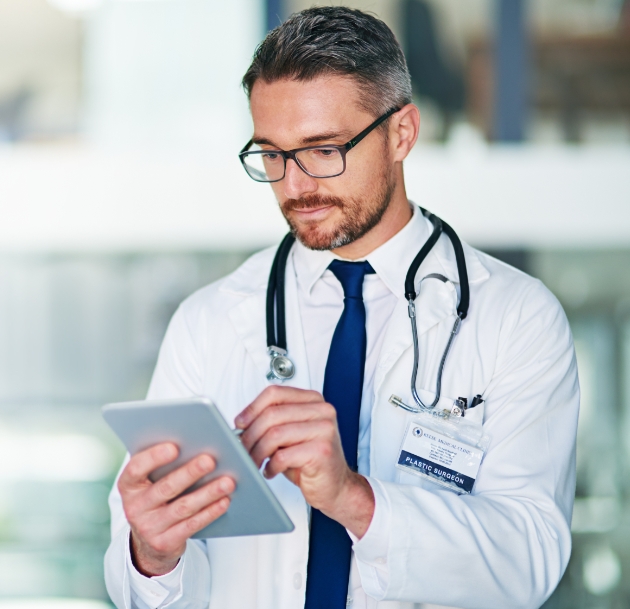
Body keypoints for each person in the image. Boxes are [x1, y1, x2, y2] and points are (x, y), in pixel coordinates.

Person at [104, 7, 579, 609]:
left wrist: (354, 498)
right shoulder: (209, 322)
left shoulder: (515, 318)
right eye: (270, 154)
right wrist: (152, 553)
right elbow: (140, 586)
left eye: (323, 149)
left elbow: (528, 565)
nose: (295, 185)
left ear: (402, 133)